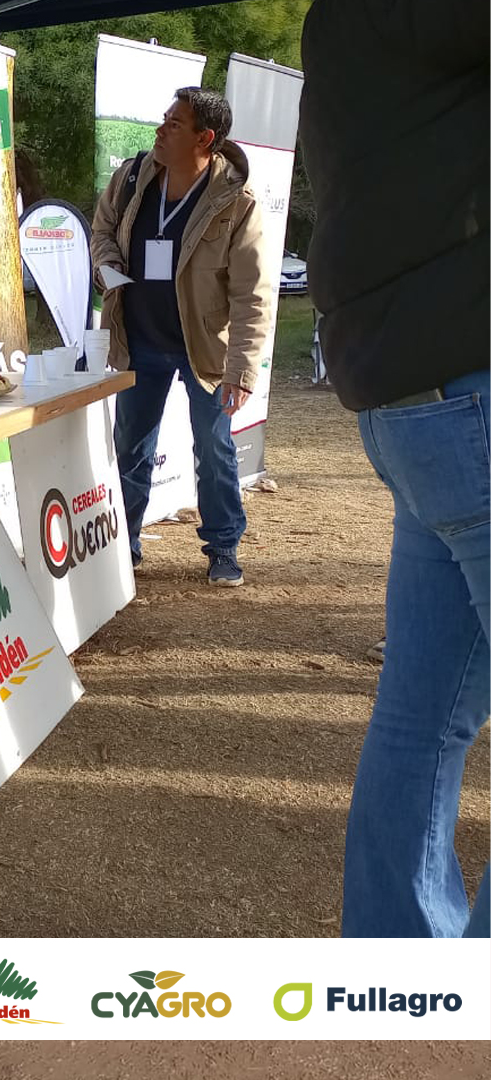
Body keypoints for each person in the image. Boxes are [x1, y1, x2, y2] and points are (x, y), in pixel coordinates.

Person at [301, 0, 489, 937]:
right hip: (468, 384)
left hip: (417, 401)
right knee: (424, 718)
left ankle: (397, 980)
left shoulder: (345, 22)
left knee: (423, 716)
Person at [91, 87, 271, 587]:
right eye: (164, 118)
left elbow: (252, 295)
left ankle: (223, 547)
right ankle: (123, 546)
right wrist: (106, 264)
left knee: (213, 450)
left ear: (204, 139)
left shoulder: (236, 203)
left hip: (204, 349)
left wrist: (241, 371)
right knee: (130, 447)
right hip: (139, 339)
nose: (160, 130)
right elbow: (102, 230)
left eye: (174, 123)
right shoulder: (132, 177)